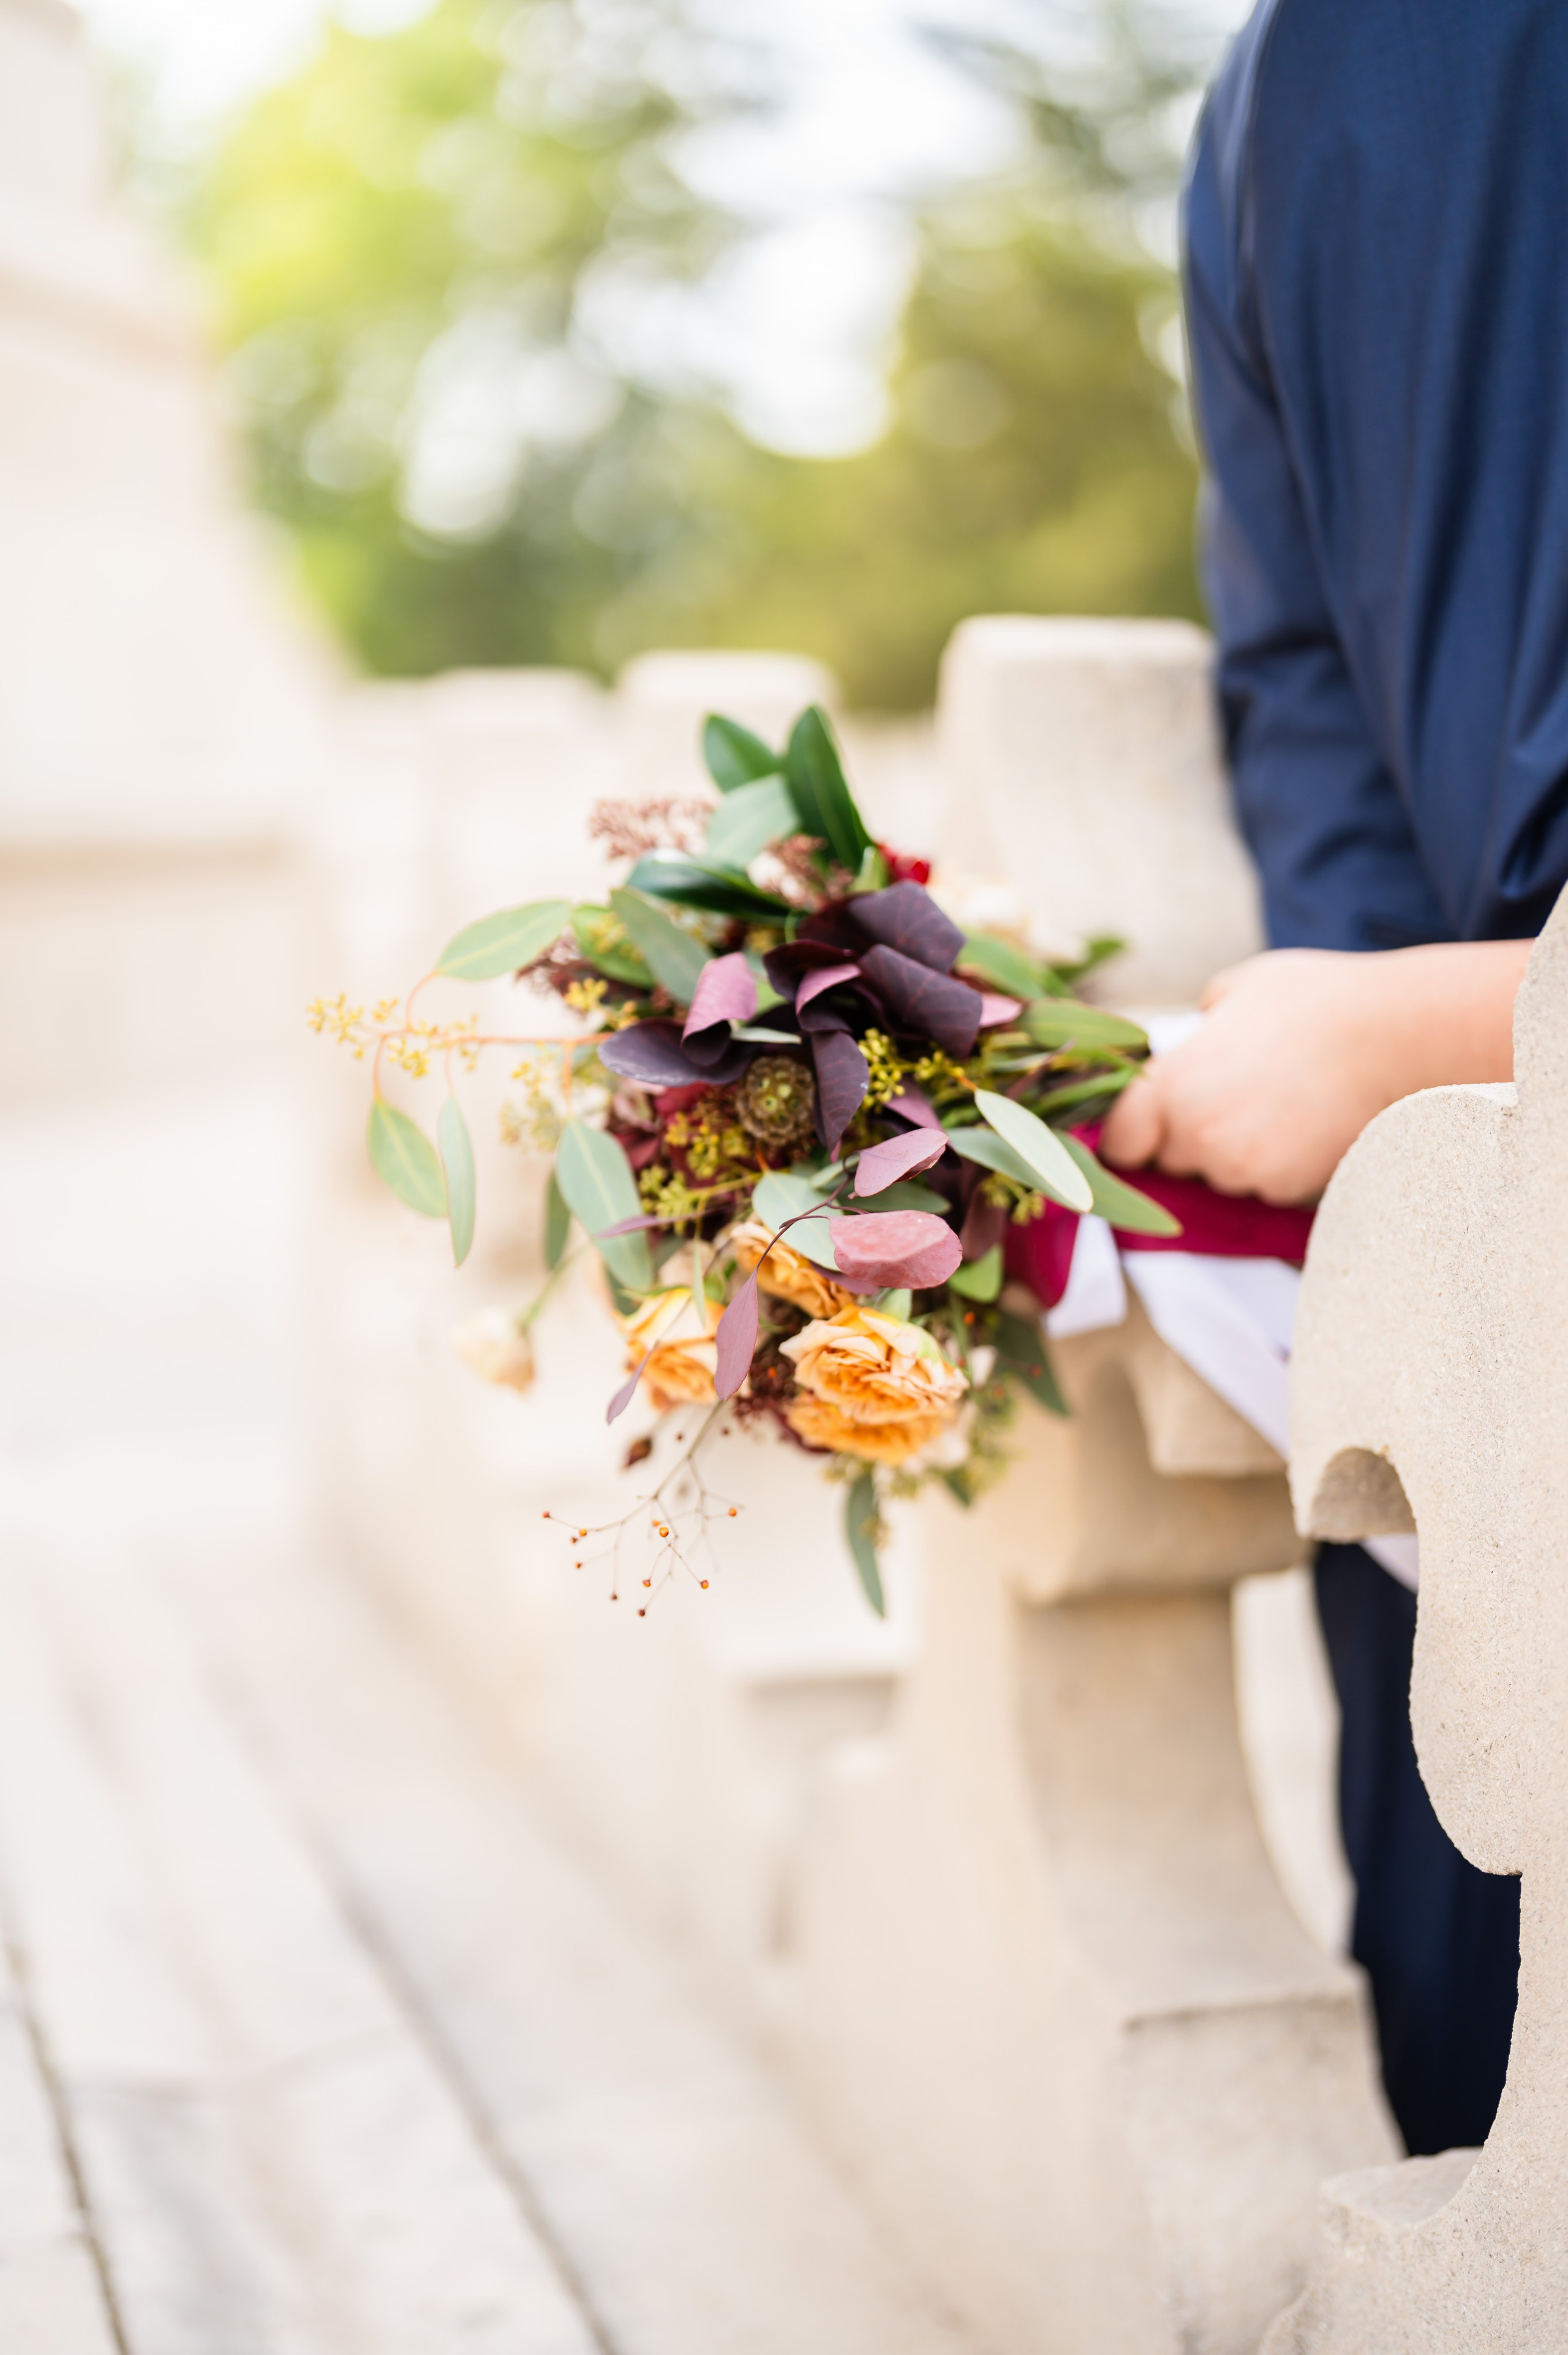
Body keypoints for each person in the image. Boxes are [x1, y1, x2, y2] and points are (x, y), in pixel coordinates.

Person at [1098, 0, 1568, 2157]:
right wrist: (1371, 1052)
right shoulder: (1284, 92)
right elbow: (1295, 680)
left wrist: (1432, 1026)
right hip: (1476, 1329)